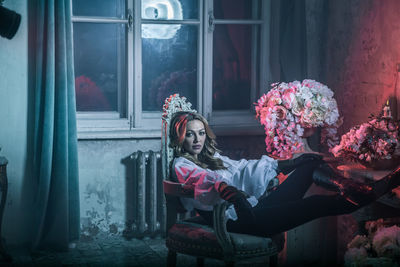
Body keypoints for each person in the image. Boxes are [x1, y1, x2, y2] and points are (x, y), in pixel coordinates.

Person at [169, 111, 400, 238]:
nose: (197, 139)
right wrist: (231, 193)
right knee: (317, 203)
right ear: (180, 138)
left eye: (200, 133)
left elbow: (242, 168)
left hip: (251, 208)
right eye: (190, 135)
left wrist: (289, 164)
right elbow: (206, 183)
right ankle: (383, 185)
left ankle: (349, 187)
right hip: (238, 221)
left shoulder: (213, 158)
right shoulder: (182, 164)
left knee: (307, 164)